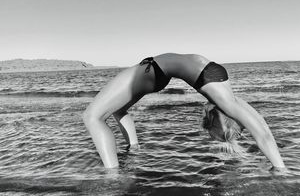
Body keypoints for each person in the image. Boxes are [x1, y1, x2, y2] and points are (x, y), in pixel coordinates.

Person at [83, 53, 286, 170]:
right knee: (118, 109)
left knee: (92, 117)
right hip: (156, 72)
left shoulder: (221, 92)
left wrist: (281, 170)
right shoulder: (224, 96)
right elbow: (261, 127)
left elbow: (263, 133)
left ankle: (113, 174)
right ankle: (134, 148)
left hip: (154, 71)